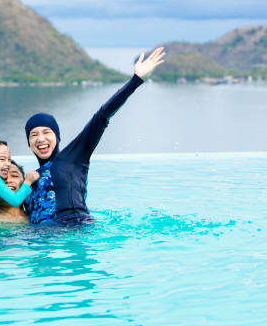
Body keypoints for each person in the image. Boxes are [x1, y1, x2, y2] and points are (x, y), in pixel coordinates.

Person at [23, 47, 166, 224]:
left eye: (46, 132)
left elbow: (101, 117)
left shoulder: (72, 158)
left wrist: (135, 81)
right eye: (33, 134)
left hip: (75, 229)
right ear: (29, 143)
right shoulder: (29, 181)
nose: (40, 138)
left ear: (57, 137)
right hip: (43, 242)